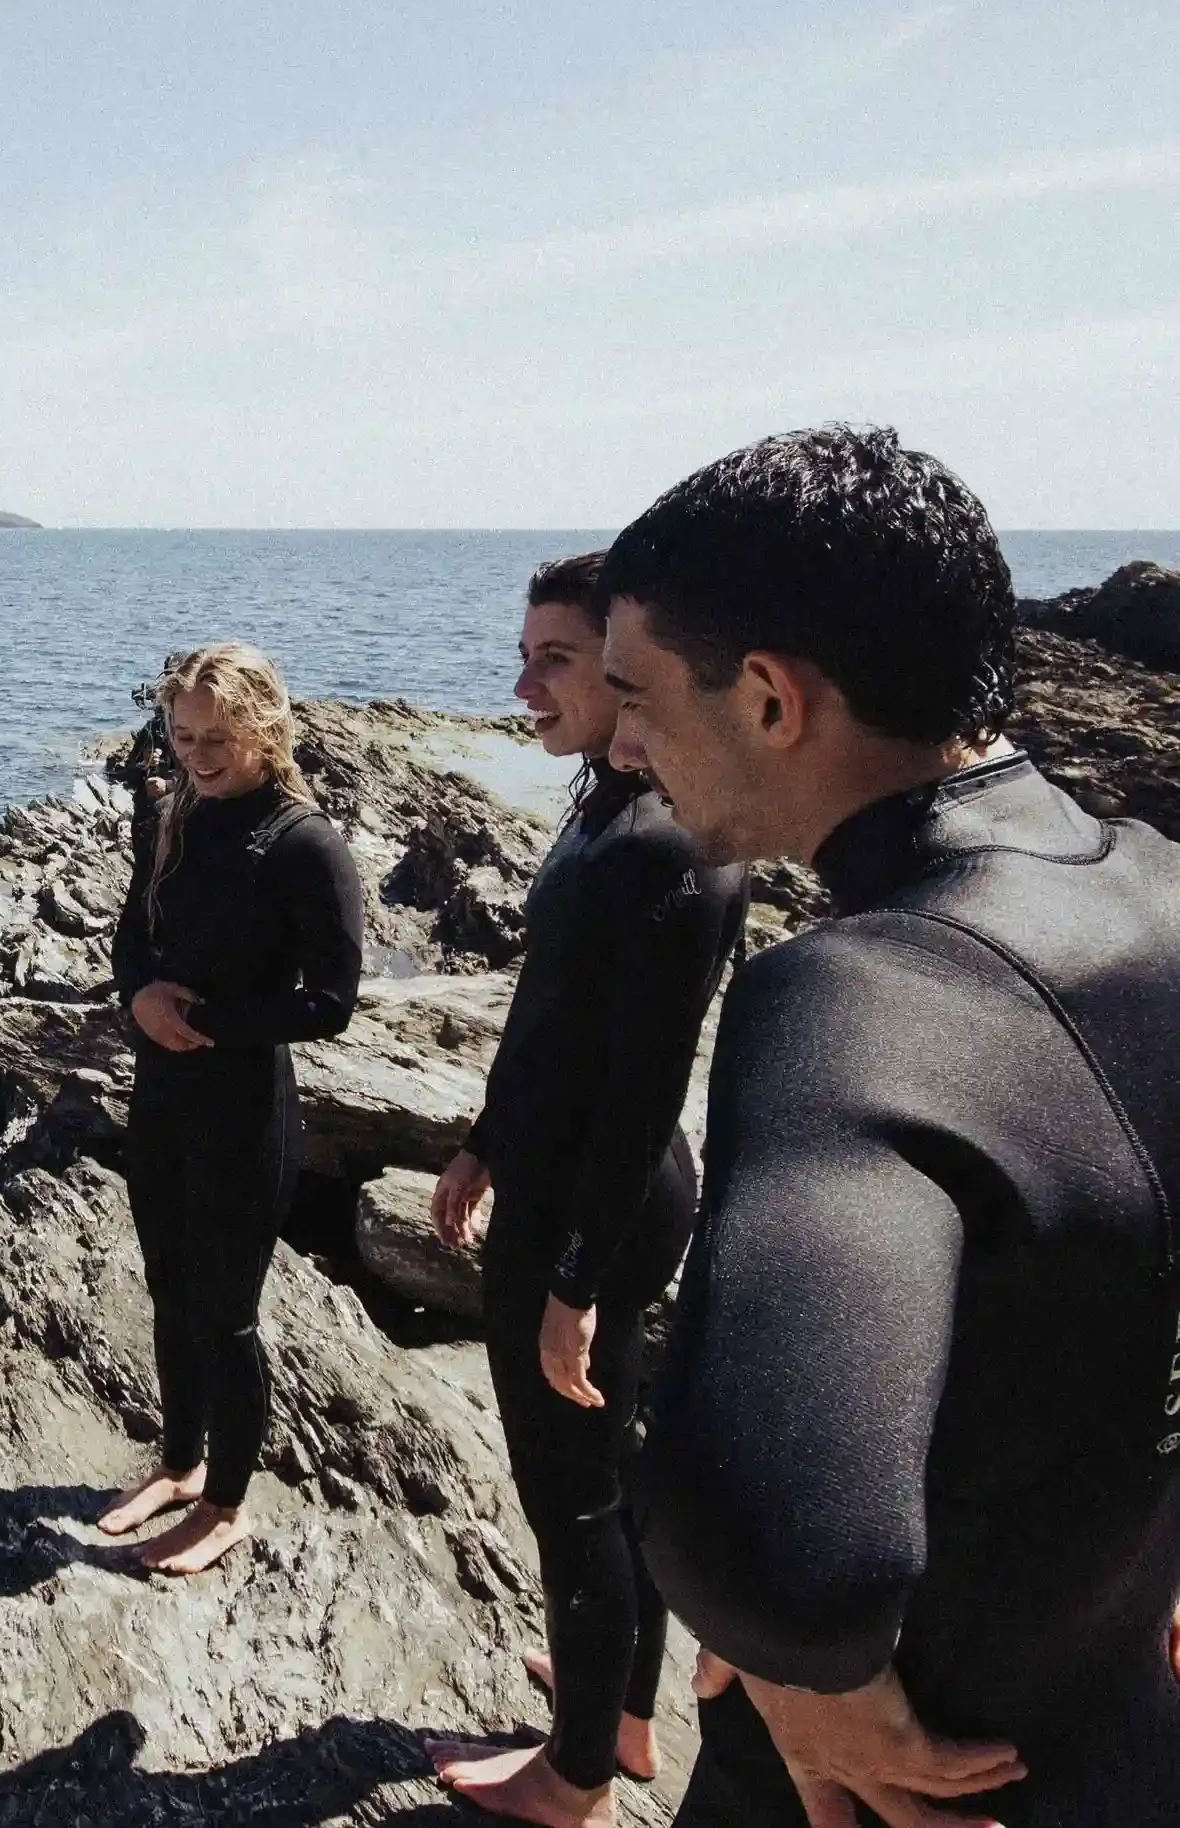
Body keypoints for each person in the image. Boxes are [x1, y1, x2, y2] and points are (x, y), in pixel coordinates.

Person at [606, 425, 1180, 1827]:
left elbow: (786, 1556)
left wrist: (795, 1658)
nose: (620, 744)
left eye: (635, 694)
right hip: (1120, 1729)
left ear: (769, 700)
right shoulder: (1157, 886)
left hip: (905, 1779)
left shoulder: (864, 996)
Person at [425, 553, 747, 1827]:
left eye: (553, 657)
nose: (521, 684)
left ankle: (572, 1779)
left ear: (628, 667)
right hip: (562, 1169)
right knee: (605, 1459)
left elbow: (642, 1083)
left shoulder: (673, 842)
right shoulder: (604, 798)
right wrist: (481, 1136)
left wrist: (569, 1277)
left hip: (601, 1197)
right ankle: (616, 1706)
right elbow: (547, 1011)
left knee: (567, 1485)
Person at [99, 642, 364, 1574]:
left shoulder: (303, 842)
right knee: (168, 1289)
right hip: (163, 1095)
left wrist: (204, 1017)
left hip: (244, 1109)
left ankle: (225, 1506)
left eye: (219, 736)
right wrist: (139, 998)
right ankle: (178, 1462)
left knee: (227, 1314)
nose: (200, 754)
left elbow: (330, 1001)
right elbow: (133, 934)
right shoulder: (173, 817)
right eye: (184, 736)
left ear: (266, 728)